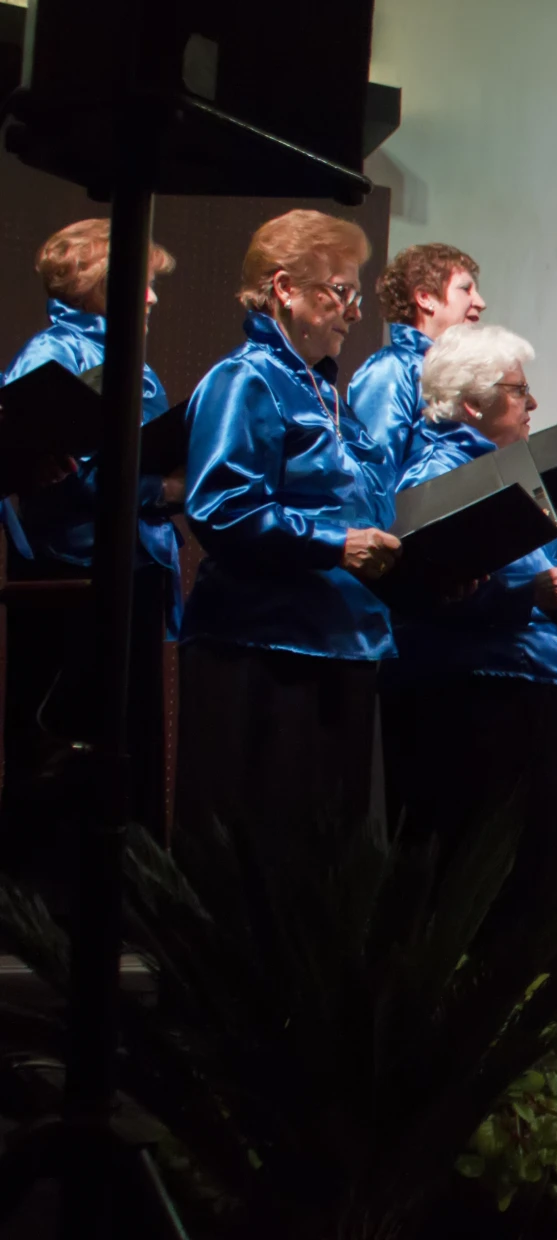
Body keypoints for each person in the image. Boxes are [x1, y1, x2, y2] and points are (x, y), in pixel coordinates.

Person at [177, 210, 399, 839]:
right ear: (285, 289)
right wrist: (336, 544)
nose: (354, 312)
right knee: (261, 857)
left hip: (343, 642)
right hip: (265, 650)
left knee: (327, 870)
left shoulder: (328, 395)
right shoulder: (244, 377)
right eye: (341, 292)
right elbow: (222, 506)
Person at [381, 324, 557, 912]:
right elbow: (428, 592)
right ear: (473, 403)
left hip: (524, 692)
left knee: (533, 883)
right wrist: (529, 596)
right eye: (519, 390)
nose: (533, 404)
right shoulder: (434, 477)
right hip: (470, 702)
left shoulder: (509, 474)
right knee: (479, 887)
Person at [2, 219, 183, 864]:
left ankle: (117, 897)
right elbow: (31, 460)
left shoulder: (131, 357)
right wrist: (158, 488)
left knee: (125, 743)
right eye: (142, 285)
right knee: (69, 744)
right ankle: (56, 905)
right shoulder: (54, 354)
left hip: (130, 566)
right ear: (97, 285)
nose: (154, 299)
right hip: (73, 577)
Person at [347, 243, 484, 479]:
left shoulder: (461, 376)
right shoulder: (391, 369)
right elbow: (371, 477)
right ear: (425, 297)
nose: (480, 302)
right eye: (465, 289)